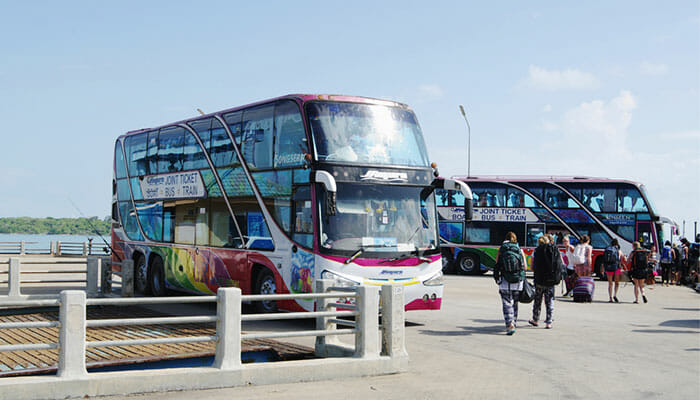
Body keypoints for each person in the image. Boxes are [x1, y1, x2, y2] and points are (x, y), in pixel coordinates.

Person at [493, 231, 526, 335]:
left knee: (506, 302)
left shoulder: (501, 250)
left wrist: (497, 277)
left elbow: (497, 264)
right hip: (517, 281)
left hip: (505, 280)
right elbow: (525, 267)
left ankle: (509, 323)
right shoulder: (519, 250)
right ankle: (514, 322)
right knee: (515, 303)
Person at [529, 235, 562, 329]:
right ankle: (548, 322)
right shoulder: (554, 250)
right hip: (551, 280)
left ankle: (535, 320)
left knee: (537, 301)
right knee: (549, 301)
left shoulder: (536, 251)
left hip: (539, 280)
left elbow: (531, 267)